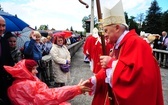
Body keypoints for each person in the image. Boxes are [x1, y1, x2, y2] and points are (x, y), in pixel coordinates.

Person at [84, 0, 164, 105]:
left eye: (106, 30)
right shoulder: (117, 45)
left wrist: (112, 63)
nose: (104, 35)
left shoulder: (137, 43)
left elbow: (142, 80)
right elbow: (110, 71)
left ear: (117, 28)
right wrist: (95, 80)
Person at [3, 59, 91, 105]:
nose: (37, 72)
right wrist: (75, 89)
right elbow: (50, 96)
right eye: (33, 69)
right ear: (25, 71)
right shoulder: (28, 84)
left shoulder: (16, 85)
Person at [0, 16, 14, 105]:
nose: (1, 29)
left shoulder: (4, 41)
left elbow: (9, 61)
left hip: (3, 83)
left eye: (3, 26)